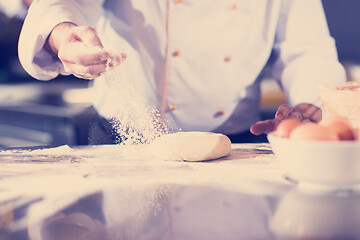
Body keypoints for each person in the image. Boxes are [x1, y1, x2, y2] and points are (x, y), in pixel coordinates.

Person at [18, 0, 346, 144]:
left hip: (236, 143)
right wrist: (63, 35)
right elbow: (61, 4)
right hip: (123, 139)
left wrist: (312, 105)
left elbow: (306, 48)